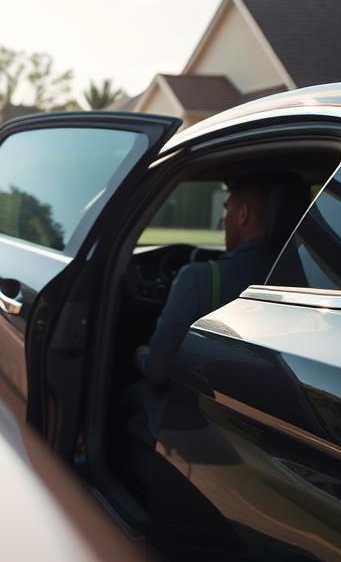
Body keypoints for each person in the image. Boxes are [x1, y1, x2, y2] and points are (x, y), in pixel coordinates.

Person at [129, 171, 307, 436]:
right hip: (276, 425)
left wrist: (139, 354)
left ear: (243, 215)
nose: (223, 222)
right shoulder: (312, 281)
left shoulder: (198, 279)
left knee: (131, 395)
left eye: (227, 209)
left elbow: (158, 371)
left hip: (206, 425)